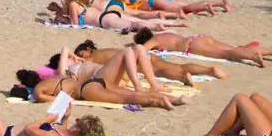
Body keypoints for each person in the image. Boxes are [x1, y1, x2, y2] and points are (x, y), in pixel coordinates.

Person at [18, 44, 188, 110]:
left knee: (126, 98)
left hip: (88, 89)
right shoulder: (59, 77)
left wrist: (65, 98)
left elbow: (42, 97)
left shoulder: (40, 88)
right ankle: (172, 99)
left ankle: (161, 102)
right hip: (96, 80)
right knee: (131, 93)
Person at [70, 39, 228, 85]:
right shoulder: (103, 50)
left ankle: (182, 77)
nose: (79, 57)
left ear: (85, 51)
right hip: (141, 54)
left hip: (134, 60)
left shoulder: (90, 58)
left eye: (79, 53)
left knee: (159, 71)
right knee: (175, 65)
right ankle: (209, 70)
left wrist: (74, 57)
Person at [133, 27, 272, 69]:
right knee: (234, 48)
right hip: (199, 38)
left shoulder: (154, 40)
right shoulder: (164, 34)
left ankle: (252, 56)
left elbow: (143, 50)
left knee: (227, 54)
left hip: (192, 46)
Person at [49, 0, 187, 31]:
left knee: (135, 23)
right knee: (136, 16)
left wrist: (61, 19)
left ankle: (160, 26)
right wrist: (60, 11)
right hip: (110, 11)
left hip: (106, 18)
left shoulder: (73, 4)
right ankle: (174, 22)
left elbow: (75, 24)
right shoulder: (82, 0)